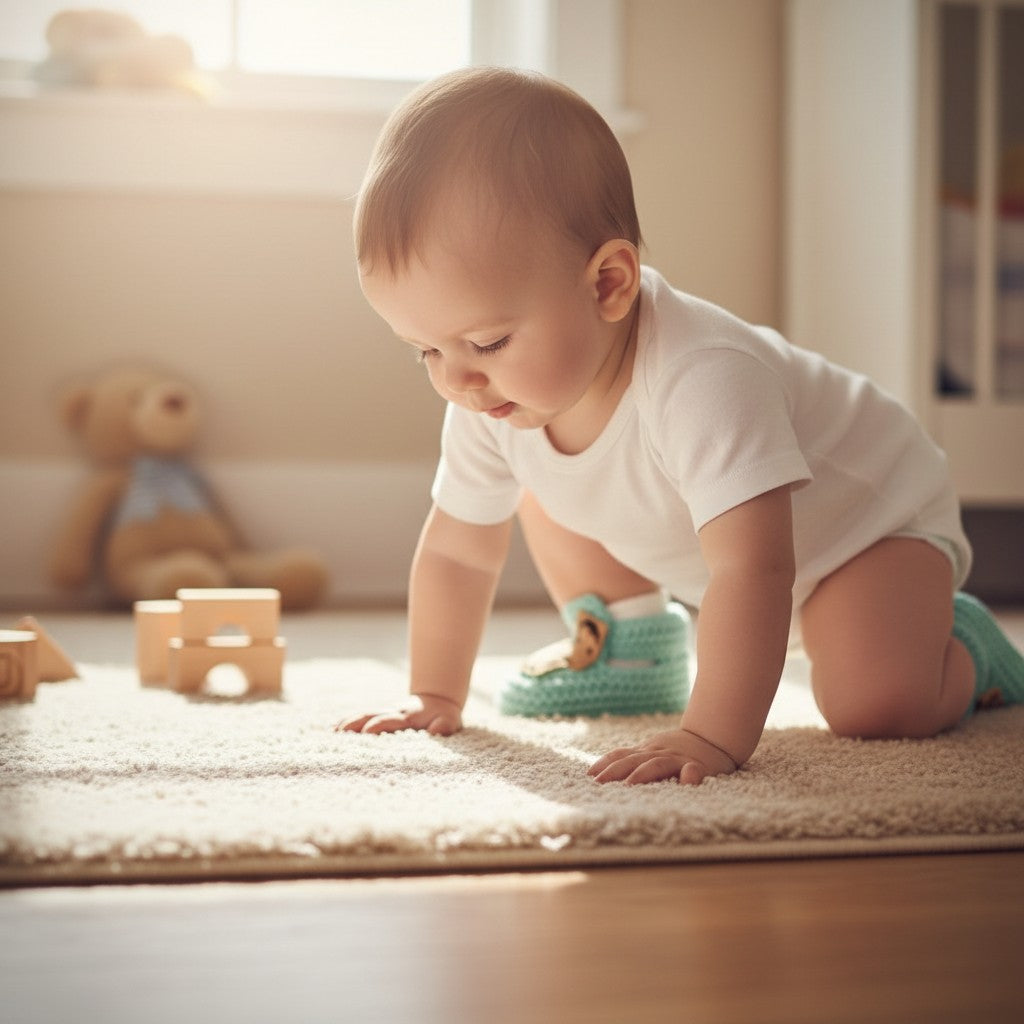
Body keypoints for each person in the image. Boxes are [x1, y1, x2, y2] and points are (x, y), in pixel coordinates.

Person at [338, 66, 1024, 786]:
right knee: (536, 469)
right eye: (425, 350)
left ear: (609, 284)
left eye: (485, 342)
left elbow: (753, 568)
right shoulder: (492, 394)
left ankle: (964, 647)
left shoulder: (705, 378)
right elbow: (458, 553)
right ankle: (629, 643)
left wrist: (710, 735)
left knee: (875, 704)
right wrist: (434, 693)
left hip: (865, 533)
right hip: (706, 533)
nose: (455, 379)